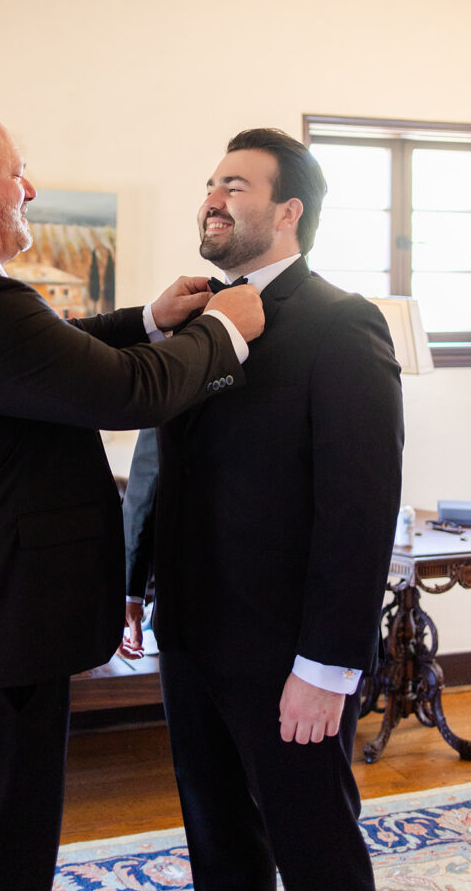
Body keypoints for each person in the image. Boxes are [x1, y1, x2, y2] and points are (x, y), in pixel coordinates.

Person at [0, 112, 264, 891]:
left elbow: (49, 350)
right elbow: (127, 393)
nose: (30, 188)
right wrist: (222, 333)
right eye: (18, 172)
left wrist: (147, 321)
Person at [122, 128, 404, 890]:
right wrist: (134, 578)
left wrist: (327, 666)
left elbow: (361, 506)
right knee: (218, 845)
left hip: (288, 655)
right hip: (187, 636)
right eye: (210, 185)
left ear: (288, 212)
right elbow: (161, 461)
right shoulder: (192, 316)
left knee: (314, 848)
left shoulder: (342, 325)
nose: (211, 199)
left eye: (233, 187)